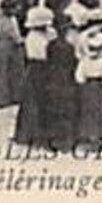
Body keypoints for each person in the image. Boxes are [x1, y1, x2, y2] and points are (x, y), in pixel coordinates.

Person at [13, 7, 53, 145]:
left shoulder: (44, 35)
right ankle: (33, 134)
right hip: (38, 67)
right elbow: (44, 53)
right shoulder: (34, 38)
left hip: (40, 68)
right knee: (34, 101)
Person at [42, 15, 80, 149]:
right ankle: (67, 140)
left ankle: (52, 139)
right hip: (66, 79)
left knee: (53, 109)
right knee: (67, 109)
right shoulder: (69, 47)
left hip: (52, 79)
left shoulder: (50, 45)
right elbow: (72, 64)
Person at [75, 30, 102, 147]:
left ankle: (89, 135)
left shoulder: (83, 61)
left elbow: (79, 77)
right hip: (101, 89)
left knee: (88, 111)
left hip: (88, 88)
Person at [0, 0, 26, 109]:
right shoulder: (10, 21)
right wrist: (22, 40)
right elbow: (15, 36)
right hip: (11, 46)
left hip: (1, 45)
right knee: (12, 70)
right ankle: (10, 96)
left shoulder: (0, 18)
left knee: (1, 70)